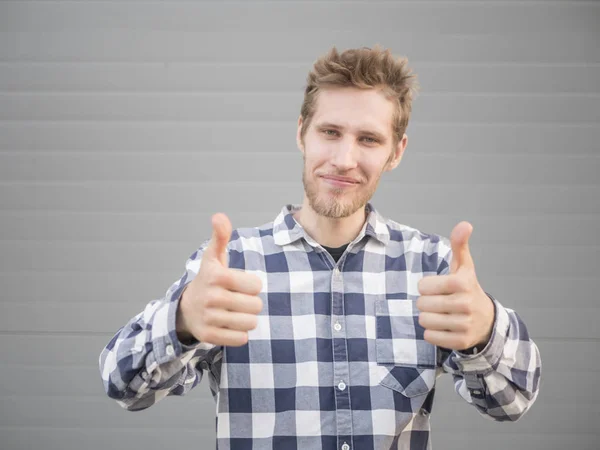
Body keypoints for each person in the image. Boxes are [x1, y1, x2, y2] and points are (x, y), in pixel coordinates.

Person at [99, 45, 541, 450]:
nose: (345, 159)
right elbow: (123, 385)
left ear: (396, 151)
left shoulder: (432, 266)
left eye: (368, 139)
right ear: (301, 133)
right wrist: (181, 323)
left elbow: (512, 402)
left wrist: (485, 331)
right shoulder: (231, 264)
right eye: (330, 132)